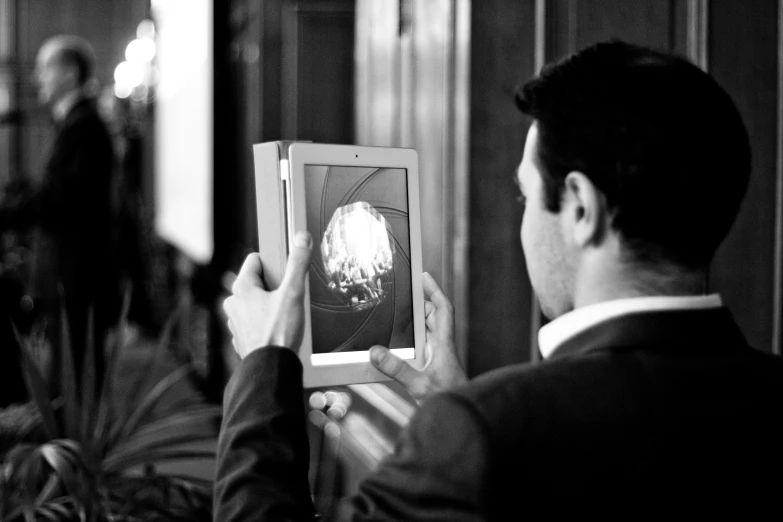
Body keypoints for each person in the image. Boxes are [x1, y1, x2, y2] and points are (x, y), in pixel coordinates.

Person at [216, 40, 783, 519]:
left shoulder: (486, 437)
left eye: (525, 194)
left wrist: (265, 368)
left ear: (581, 209)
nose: (523, 218)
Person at [0, 35, 119, 396]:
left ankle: (74, 453)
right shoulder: (74, 123)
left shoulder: (84, 127)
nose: (37, 79)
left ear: (68, 73)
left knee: (74, 385)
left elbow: (61, 201)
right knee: (67, 382)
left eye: (43, 70)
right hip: (71, 277)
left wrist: (7, 213)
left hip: (76, 279)